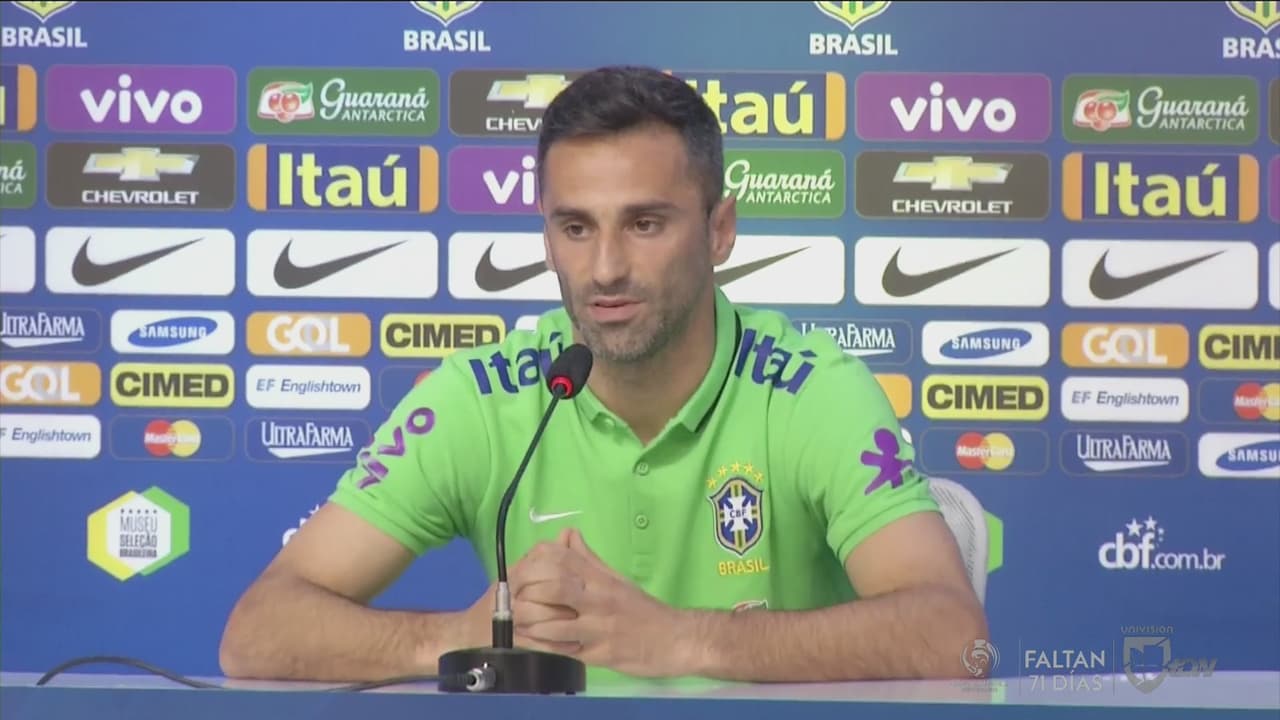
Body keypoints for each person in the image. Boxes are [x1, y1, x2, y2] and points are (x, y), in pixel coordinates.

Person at [219, 65, 989, 685]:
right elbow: (256, 633)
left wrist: (683, 640)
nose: (606, 268)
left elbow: (958, 640)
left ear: (719, 231)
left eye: (645, 223)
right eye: (576, 227)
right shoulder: (480, 398)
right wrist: (461, 637)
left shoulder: (815, 392)